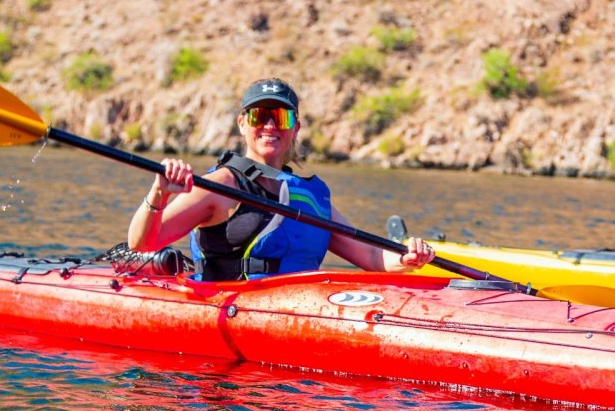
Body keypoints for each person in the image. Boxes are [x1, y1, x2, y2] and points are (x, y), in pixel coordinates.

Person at [127, 78, 435, 280]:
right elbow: (143, 243)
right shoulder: (221, 185)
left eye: (282, 117)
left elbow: (369, 255)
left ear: (296, 127)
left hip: (296, 311)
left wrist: (407, 259)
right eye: (260, 117)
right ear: (242, 124)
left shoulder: (309, 196)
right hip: (230, 306)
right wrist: (159, 195)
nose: (271, 126)